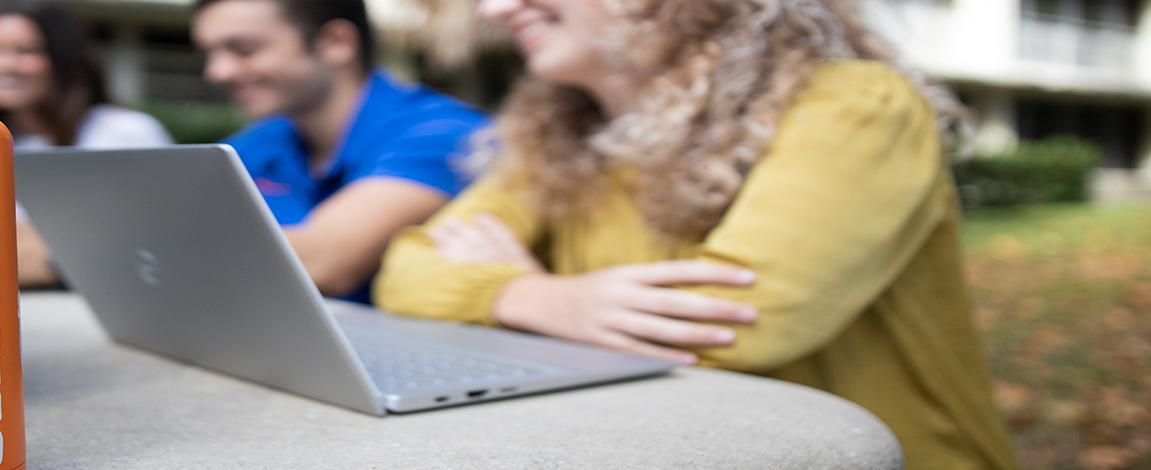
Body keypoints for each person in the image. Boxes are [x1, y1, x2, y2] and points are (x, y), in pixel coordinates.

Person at [373, 0, 1019, 468]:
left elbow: (735, 326)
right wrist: (541, 300)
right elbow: (405, 270)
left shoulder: (858, 104)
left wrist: (513, 286)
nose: (496, 8)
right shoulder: (559, 143)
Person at [191, 0, 490, 302]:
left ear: (336, 42)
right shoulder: (262, 141)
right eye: (209, 54)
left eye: (245, 49)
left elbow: (324, 261)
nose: (217, 72)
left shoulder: (445, 133)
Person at [0, 1, 175, 287]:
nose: (3, 65)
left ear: (63, 56)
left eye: (27, 50)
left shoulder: (121, 132)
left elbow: (140, 240)